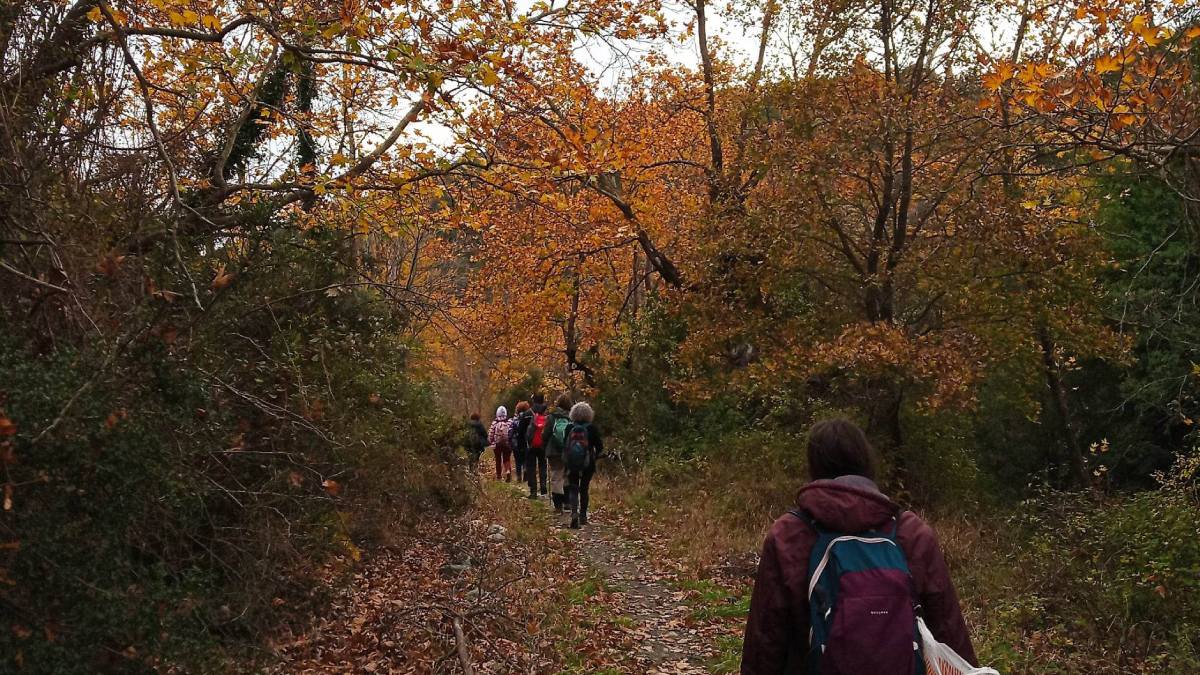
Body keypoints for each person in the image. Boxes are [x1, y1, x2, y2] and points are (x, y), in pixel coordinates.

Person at [741, 419, 976, 674]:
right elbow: (947, 629)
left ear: (814, 465)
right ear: (866, 462)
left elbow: (766, 638)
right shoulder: (912, 533)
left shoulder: (789, 535)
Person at [562, 401, 603, 529]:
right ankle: (583, 516)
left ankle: (574, 513)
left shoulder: (569, 427)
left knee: (573, 487)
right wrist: (595, 456)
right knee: (584, 489)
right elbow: (600, 447)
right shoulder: (592, 428)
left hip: (572, 462)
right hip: (588, 462)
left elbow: (565, 445)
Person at [541, 393, 572, 514]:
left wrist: (544, 448)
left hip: (553, 451)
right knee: (566, 475)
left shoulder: (551, 417)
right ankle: (567, 502)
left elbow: (545, 434)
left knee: (556, 476)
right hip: (568, 450)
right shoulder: (571, 416)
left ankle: (558, 505)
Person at [523, 394, 549, 499]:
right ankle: (543, 485)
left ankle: (533, 490)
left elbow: (522, 429)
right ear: (543, 400)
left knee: (531, 467)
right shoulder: (547, 413)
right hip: (543, 444)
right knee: (543, 464)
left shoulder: (528, 413)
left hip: (531, 444)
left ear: (533, 400)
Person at [488, 406, 514, 481]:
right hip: (507, 444)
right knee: (506, 459)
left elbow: (491, 434)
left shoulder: (495, 423)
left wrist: (491, 442)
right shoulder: (509, 422)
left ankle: (499, 476)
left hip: (497, 445)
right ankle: (508, 472)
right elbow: (511, 432)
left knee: (498, 460)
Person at [510, 401, 532, 482]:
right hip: (526, 441)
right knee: (525, 458)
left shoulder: (514, 419)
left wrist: (511, 441)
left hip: (516, 442)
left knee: (517, 460)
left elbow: (511, 431)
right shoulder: (529, 418)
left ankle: (519, 476)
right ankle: (525, 468)